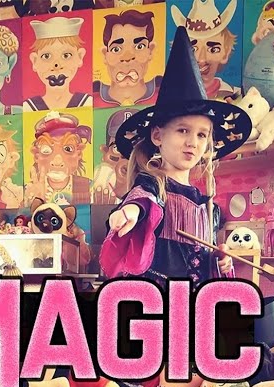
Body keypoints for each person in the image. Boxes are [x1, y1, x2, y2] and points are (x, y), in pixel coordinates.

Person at [99, 26, 251, 285]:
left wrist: (219, 260)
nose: (193, 142)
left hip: (193, 303)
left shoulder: (209, 208)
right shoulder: (152, 188)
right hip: (157, 299)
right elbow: (141, 202)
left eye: (202, 135)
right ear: (158, 136)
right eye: (183, 130)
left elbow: (205, 263)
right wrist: (130, 212)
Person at [171, 0, 240, 99]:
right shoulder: (172, 95)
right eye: (193, 49)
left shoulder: (236, 94)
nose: (202, 59)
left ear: (225, 53)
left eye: (213, 49)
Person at [92, 9, 160, 107]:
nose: (127, 57)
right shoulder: (91, 98)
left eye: (139, 46)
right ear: (105, 55)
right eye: (116, 49)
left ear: (151, 51)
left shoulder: (163, 90)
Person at [22, 16, 92, 111]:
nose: (56, 65)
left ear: (80, 56)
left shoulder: (87, 102)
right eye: (46, 56)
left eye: (66, 55)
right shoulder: (27, 107)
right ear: (34, 61)